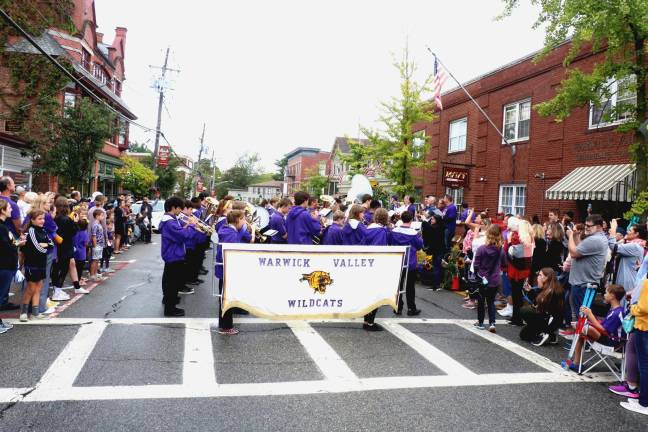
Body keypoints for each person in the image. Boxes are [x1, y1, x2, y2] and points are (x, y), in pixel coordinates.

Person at [564, 214, 609, 333]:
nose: (586, 228)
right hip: (582, 281)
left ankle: (585, 341)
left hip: (584, 283)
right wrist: (576, 236)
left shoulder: (595, 240)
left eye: (589, 226)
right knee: (579, 315)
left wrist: (570, 237)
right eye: (585, 226)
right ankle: (579, 339)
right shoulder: (596, 238)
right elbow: (581, 248)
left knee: (582, 316)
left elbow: (574, 253)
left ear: (599, 226)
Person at [569, 284, 625, 370]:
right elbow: (602, 326)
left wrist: (590, 315)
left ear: (612, 295)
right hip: (607, 337)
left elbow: (604, 330)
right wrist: (588, 316)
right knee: (581, 328)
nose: (604, 295)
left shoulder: (618, 313)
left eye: (606, 293)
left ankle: (576, 362)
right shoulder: (614, 310)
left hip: (612, 342)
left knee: (585, 328)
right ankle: (576, 362)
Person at [159, 197, 197, 317]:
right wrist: (191, 226)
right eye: (179, 208)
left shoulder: (170, 220)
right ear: (173, 207)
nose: (181, 211)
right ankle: (170, 309)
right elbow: (183, 236)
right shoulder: (170, 222)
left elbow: (179, 231)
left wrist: (186, 224)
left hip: (172, 254)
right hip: (173, 255)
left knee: (169, 281)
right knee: (172, 283)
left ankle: (169, 301)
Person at [359, 208, 391, 331]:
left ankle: (366, 320)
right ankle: (370, 323)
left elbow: (362, 245)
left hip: (366, 264)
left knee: (368, 293)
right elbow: (381, 249)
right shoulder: (382, 231)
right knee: (376, 294)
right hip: (378, 265)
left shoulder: (368, 229)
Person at [215, 210, 245, 335]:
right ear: (237, 220)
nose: (244, 222)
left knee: (225, 297)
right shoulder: (231, 234)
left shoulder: (228, 231)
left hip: (226, 270)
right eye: (243, 219)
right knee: (226, 298)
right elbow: (231, 254)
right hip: (227, 270)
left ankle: (224, 325)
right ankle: (226, 327)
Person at [20, 209, 53, 321]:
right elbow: (37, 247)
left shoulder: (43, 230)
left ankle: (35, 313)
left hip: (41, 263)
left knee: (38, 288)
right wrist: (45, 247)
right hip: (32, 264)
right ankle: (23, 313)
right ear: (32, 220)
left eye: (43, 218)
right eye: (39, 219)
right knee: (30, 288)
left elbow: (51, 244)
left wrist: (45, 245)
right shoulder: (31, 230)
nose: (42, 221)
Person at [519, 267, 564, 345]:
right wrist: (530, 291)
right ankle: (550, 334)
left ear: (546, 278)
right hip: (546, 317)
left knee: (525, 311)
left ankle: (545, 332)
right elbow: (536, 303)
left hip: (550, 319)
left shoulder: (552, 291)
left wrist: (547, 329)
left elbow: (541, 307)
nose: (538, 277)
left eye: (540, 275)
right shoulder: (547, 288)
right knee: (524, 335)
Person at [53, 196, 87, 298]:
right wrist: (75, 222)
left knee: (67, 265)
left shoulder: (56, 217)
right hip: (66, 246)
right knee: (63, 269)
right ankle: (57, 291)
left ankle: (76, 287)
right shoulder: (66, 219)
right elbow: (73, 231)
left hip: (59, 245)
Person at [622, 279, 648, 414]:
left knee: (644, 365)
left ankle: (644, 403)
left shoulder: (647, 283)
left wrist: (632, 307)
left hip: (644, 326)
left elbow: (644, 307)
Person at [390, 211, 422, 316]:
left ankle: (398, 307)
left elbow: (390, 243)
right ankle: (411, 308)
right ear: (411, 220)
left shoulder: (394, 231)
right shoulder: (413, 233)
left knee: (398, 285)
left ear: (401, 219)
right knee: (410, 286)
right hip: (410, 262)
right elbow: (419, 246)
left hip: (397, 261)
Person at [473, 224, 505, 332]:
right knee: (491, 302)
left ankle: (481, 323)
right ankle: (492, 323)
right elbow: (505, 263)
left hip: (483, 278)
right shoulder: (501, 250)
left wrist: (478, 275)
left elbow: (476, 265)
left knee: (481, 302)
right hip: (495, 279)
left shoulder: (482, 249)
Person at [0, 199, 25, 325]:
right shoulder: (2, 228)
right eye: (9, 208)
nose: (11, 210)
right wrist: (15, 245)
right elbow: (5, 246)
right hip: (4, 264)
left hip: (6, 264)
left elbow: (9, 242)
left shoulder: (4, 226)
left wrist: (18, 243)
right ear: (2, 211)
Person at [506, 217, 534, 326]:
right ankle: (516, 317)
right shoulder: (529, 239)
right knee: (517, 294)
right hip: (523, 268)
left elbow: (512, 253)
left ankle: (517, 318)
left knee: (516, 294)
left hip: (517, 269)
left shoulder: (520, 239)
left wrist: (509, 243)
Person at [608, 220, 646, 296]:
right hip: (626, 281)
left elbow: (613, 246)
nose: (627, 231)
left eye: (629, 230)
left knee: (624, 304)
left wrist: (613, 229)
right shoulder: (635, 244)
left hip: (627, 283)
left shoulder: (634, 246)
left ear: (636, 234)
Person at [421, 213, 444, 290]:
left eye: (433, 219)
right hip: (436, 250)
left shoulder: (438, 228)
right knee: (436, 267)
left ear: (437, 220)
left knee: (437, 267)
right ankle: (435, 284)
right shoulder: (436, 227)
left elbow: (429, 229)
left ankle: (436, 285)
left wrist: (424, 221)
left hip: (439, 250)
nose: (431, 220)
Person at [89, 209, 107, 282]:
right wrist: (95, 245)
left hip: (100, 244)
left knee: (97, 260)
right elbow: (94, 236)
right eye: (102, 215)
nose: (103, 217)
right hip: (97, 245)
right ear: (97, 216)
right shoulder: (95, 225)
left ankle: (95, 273)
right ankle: (92, 275)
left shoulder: (99, 224)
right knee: (95, 260)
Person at [73, 219, 89, 287]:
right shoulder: (84, 233)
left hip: (75, 251)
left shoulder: (75, 232)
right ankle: (78, 280)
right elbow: (85, 243)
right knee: (80, 268)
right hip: (82, 252)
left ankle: (76, 279)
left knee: (75, 267)